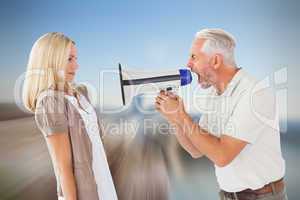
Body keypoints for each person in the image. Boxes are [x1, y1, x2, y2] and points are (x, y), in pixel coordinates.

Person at [155, 28, 287, 200]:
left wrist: (182, 116)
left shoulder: (255, 94)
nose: (188, 64)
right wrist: (174, 119)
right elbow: (196, 150)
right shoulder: (214, 94)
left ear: (216, 61)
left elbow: (222, 156)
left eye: (194, 57)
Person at [22, 32, 118, 200]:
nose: (76, 66)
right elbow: (63, 168)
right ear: (51, 61)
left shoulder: (80, 94)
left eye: (76, 59)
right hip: (83, 193)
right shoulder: (49, 102)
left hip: (103, 185)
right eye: (69, 59)